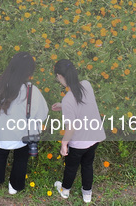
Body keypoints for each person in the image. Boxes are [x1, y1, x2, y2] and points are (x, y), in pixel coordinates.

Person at [0, 52, 48, 195]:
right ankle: (14, 187)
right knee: (21, 158)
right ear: (29, 72)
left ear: (10, 66)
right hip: (21, 136)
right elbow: (42, 114)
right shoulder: (32, 91)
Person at [51, 59, 106, 203]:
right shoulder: (86, 85)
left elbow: (71, 127)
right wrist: (63, 105)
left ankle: (65, 190)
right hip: (94, 137)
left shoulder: (68, 99)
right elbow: (83, 105)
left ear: (61, 76)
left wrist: (64, 144)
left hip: (79, 143)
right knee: (88, 165)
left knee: (71, 167)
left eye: (57, 77)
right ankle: (87, 193)